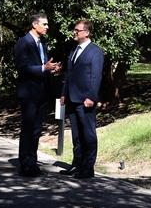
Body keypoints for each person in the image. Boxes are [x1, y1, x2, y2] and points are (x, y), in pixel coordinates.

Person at [14, 13, 61, 177]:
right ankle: (24, 163)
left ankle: (32, 162)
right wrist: (43, 68)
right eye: (45, 24)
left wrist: (51, 69)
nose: (47, 27)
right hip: (29, 93)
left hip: (42, 93)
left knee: (36, 129)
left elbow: (43, 64)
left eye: (47, 24)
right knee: (27, 128)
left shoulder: (43, 43)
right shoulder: (23, 43)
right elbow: (23, 68)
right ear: (35, 25)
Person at [60, 20, 104, 179]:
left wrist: (91, 96)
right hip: (72, 99)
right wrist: (63, 93)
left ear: (86, 33)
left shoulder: (95, 52)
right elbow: (68, 74)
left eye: (77, 30)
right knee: (76, 135)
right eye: (75, 30)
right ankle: (77, 164)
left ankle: (88, 168)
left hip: (85, 100)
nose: (74, 32)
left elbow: (96, 76)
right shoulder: (74, 50)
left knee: (88, 134)